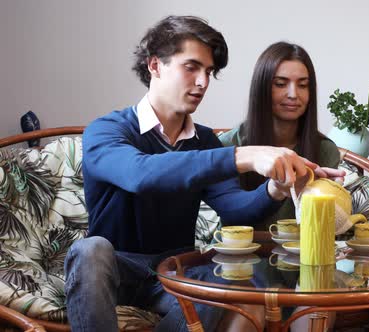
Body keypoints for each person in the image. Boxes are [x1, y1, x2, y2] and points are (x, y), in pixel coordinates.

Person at [64, 16, 334, 332]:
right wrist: (242, 155)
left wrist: (277, 187)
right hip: (116, 269)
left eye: (209, 72)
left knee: (240, 279)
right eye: (191, 67)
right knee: (90, 249)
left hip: (175, 273)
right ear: (155, 65)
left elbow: (237, 210)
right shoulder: (106, 131)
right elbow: (141, 174)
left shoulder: (204, 140)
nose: (203, 82)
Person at [219, 41, 342, 230]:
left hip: (303, 254)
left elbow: (326, 228)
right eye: (280, 84)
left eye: (303, 85)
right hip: (240, 255)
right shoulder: (229, 146)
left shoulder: (325, 149)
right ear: (262, 88)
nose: (293, 94)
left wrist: (332, 201)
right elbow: (229, 218)